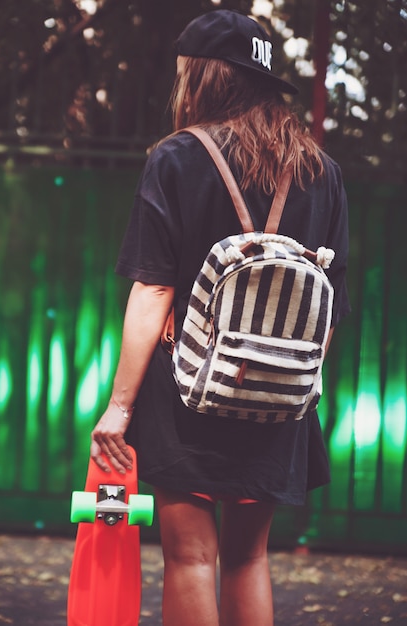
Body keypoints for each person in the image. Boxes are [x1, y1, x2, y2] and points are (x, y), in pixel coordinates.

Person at [90, 9, 350, 626]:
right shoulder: (322, 171)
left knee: (190, 557)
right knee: (248, 556)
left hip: (187, 386)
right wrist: (287, 385)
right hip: (282, 394)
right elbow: (329, 305)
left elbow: (153, 289)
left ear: (204, 76)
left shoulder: (177, 158)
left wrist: (119, 409)